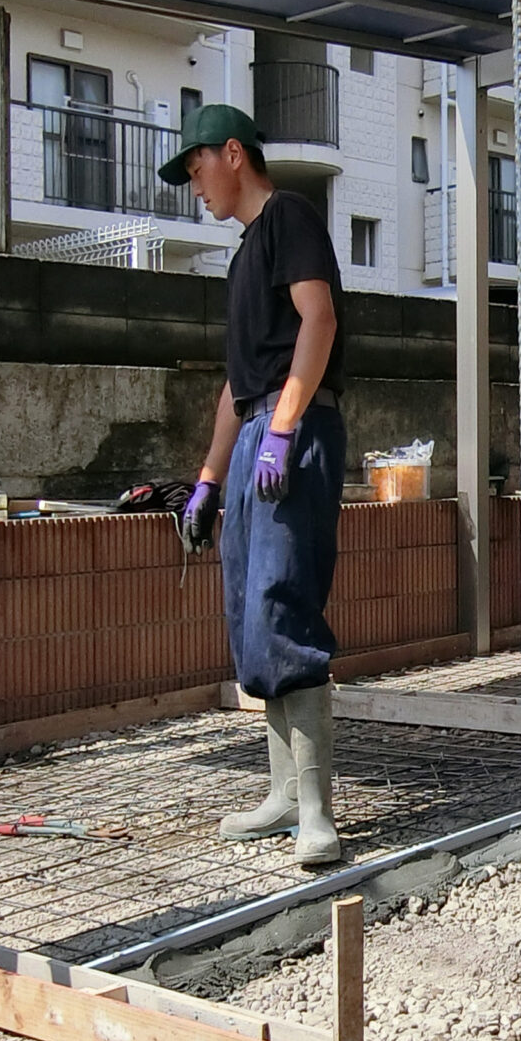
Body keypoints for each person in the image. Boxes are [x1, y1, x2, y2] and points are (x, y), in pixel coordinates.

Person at [164, 105, 347, 867]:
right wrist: (207, 479)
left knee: (280, 598)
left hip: (294, 427)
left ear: (233, 153)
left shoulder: (289, 217)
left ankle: (317, 813)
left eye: (196, 166)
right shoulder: (242, 257)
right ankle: (281, 794)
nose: (194, 185)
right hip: (258, 432)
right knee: (249, 606)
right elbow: (235, 387)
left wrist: (282, 430)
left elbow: (319, 320)